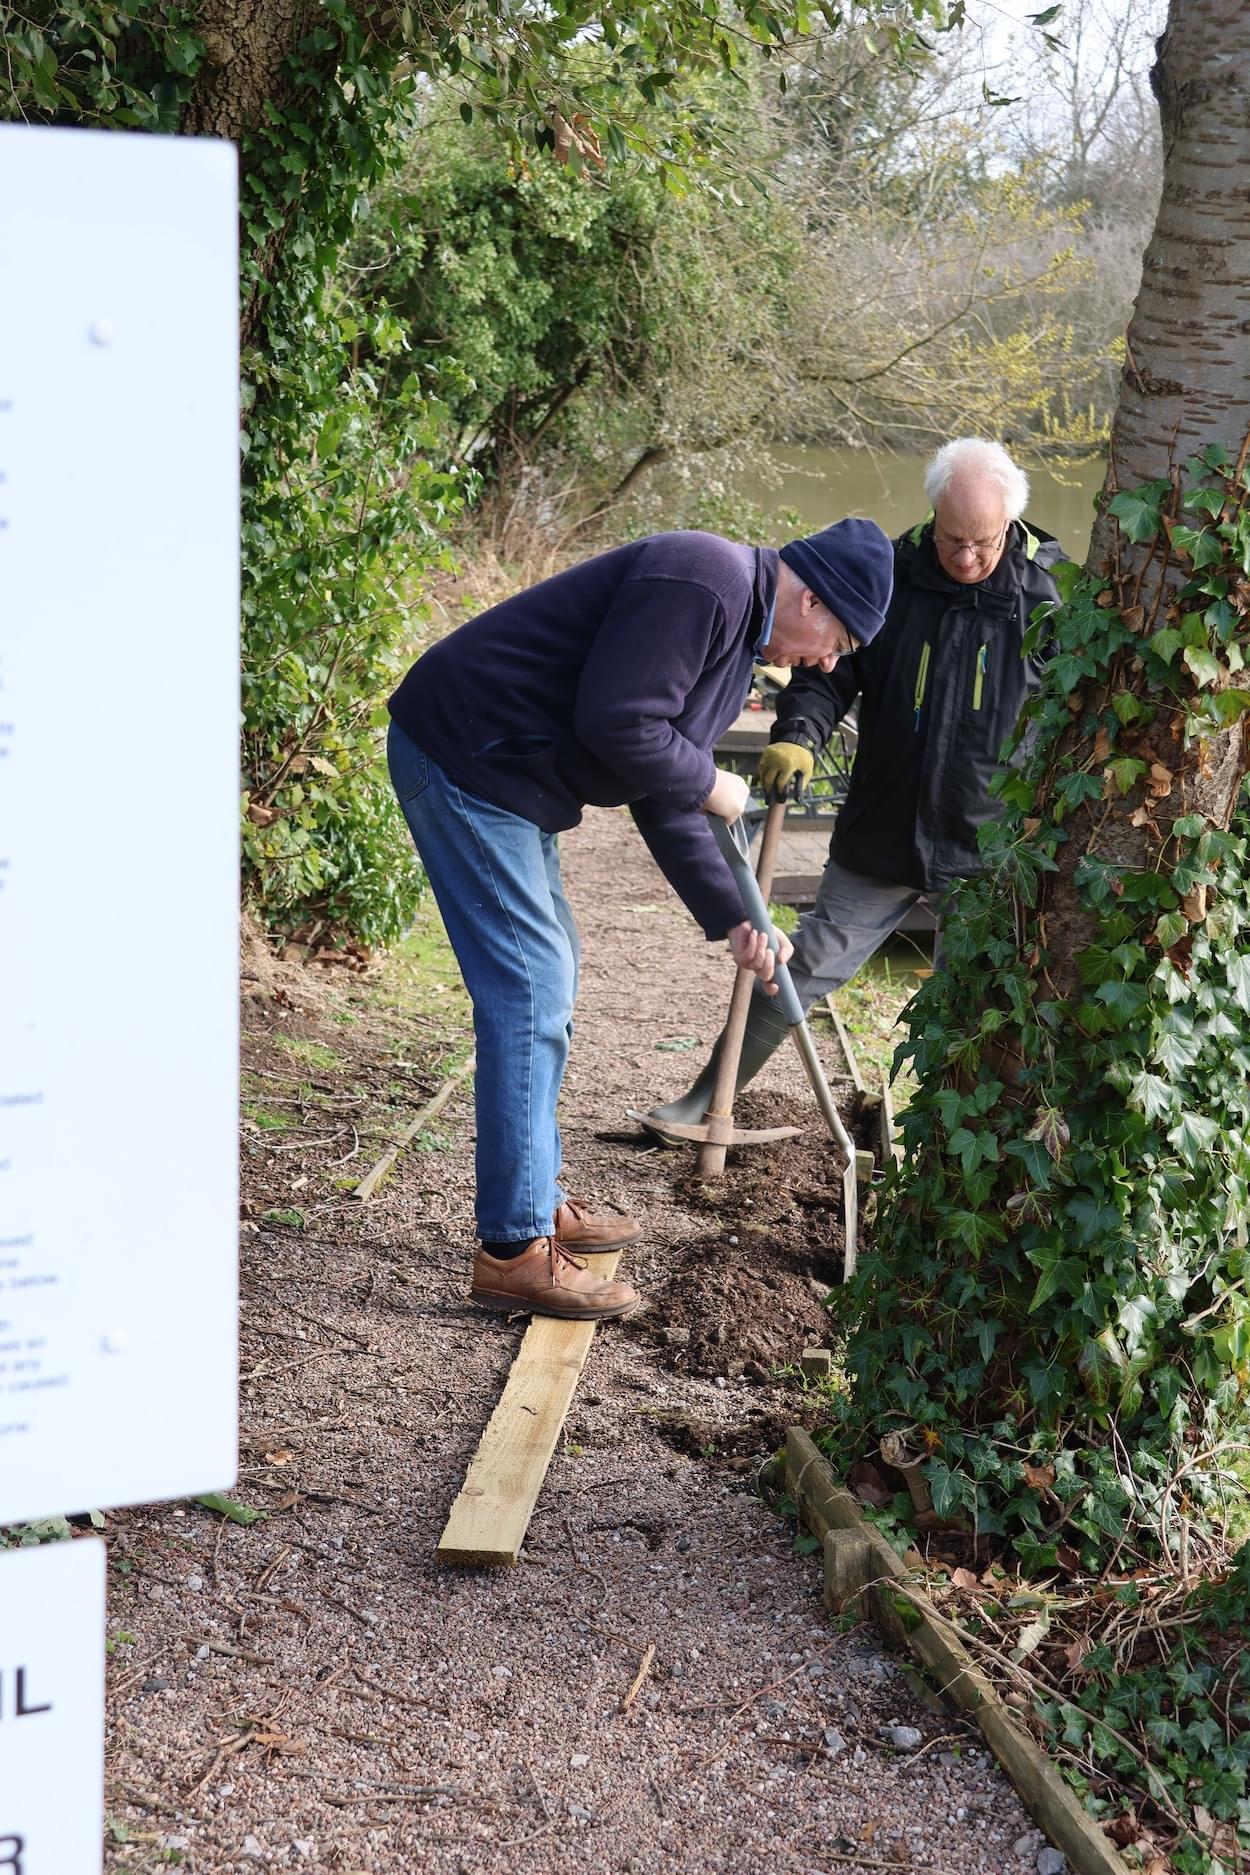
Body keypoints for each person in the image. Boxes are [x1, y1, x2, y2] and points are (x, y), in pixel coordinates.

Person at [387, 520, 895, 1322]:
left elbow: (660, 788)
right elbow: (619, 722)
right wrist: (713, 781)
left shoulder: (735, 637)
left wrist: (735, 915)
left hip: (510, 777)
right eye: (840, 642)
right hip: (467, 754)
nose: (829, 664)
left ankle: (533, 1196)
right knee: (529, 989)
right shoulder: (704, 580)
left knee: (551, 974)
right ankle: (513, 1248)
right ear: (811, 599)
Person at [643, 438, 1066, 1140]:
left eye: (983, 543)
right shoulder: (889, 577)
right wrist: (798, 735)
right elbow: (826, 673)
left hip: (991, 847)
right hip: (883, 830)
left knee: (978, 1002)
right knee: (799, 966)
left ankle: (955, 1148)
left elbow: (1072, 721)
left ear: (1011, 525)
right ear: (932, 515)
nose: (965, 558)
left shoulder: (1050, 598)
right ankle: (703, 1099)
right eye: (951, 539)